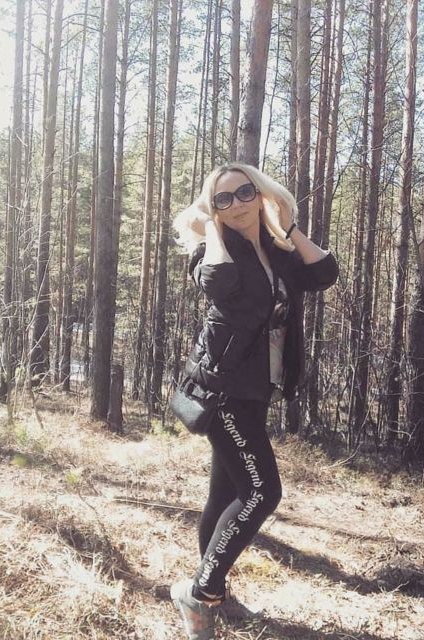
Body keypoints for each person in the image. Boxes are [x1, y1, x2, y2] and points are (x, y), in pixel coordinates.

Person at [169, 163, 339, 640]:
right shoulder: (211, 251)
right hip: (222, 392)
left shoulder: (276, 250)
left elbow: (324, 273)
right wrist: (210, 227)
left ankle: (215, 595)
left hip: (255, 390)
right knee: (263, 492)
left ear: (260, 192)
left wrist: (287, 226)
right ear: (213, 208)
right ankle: (199, 594)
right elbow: (221, 283)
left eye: (245, 192)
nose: (237, 204)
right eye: (222, 199)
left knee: (224, 495)